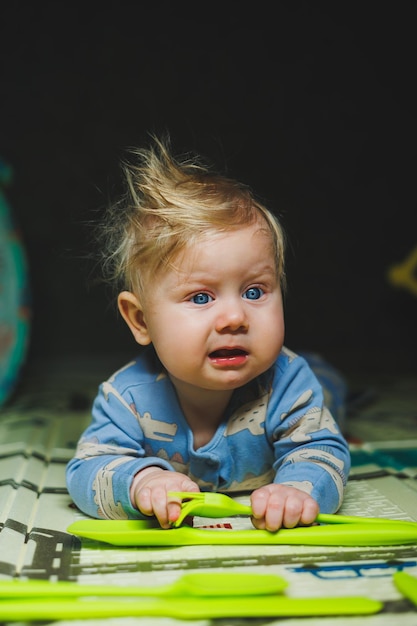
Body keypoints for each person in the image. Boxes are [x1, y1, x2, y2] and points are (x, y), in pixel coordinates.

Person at [66, 135, 350, 532]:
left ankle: (333, 380)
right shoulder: (127, 398)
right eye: (201, 297)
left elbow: (321, 451)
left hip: (311, 381)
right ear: (141, 321)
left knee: (328, 391)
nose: (234, 316)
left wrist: (298, 489)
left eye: (254, 292)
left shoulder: (289, 382)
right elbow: (86, 470)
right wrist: (141, 481)